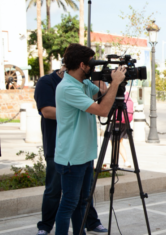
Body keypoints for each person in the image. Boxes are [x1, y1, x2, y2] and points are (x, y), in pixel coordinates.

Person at [54, 43, 126, 235]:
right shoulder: (68, 87)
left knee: (83, 202)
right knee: (69, 203)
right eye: (91, 64)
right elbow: (103, 110)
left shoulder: (82, 83)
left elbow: (102, 95)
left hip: (84, 153)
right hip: (72, 155)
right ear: (82, 65)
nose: (92, 67)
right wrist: (116, 83)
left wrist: (105, 76)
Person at [34, 61, 108, 235]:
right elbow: (46, 111)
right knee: (55, 191)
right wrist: (76, 107)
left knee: (81, 196)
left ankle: (90, 222)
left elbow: (101, 97)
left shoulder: (82, 83)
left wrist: (100, 86)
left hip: (81, 148)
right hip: (57, 144)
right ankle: (45, 226)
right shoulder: (48, 82)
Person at [109, 92, 133, 167]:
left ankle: (116, 162)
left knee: (114, 142)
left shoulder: (114, 94)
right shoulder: (126, 95)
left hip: (116, 122)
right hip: (125, 122)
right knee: (119, 142)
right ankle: (125, 160)